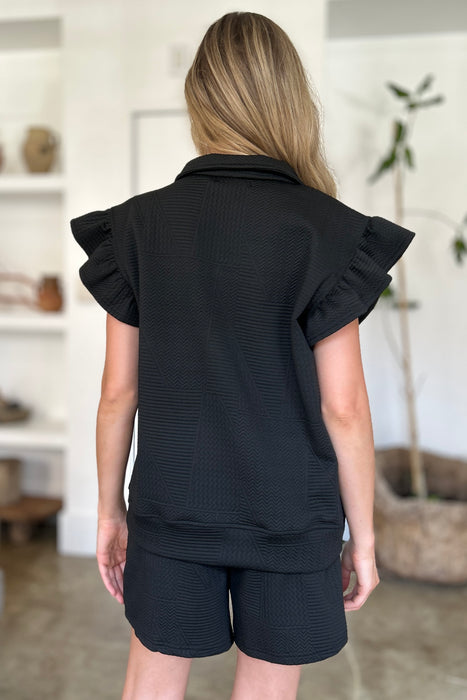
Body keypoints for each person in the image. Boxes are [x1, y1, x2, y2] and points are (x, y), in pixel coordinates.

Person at [70, 11, 416, 700]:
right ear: (290, 102)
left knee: (149, 686)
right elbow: (344, 408)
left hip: (172, 507)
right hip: (292, 513)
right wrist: (365, 539)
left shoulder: (137, 227)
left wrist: (109, 514)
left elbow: (118, 393)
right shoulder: (328, 231)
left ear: (200, 100)